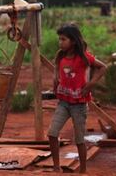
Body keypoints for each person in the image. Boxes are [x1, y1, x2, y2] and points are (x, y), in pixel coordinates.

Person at [47, 23, 107, 174]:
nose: (60, 42)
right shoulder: (60, 55)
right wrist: (55, 80)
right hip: (63, 102)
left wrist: (90, 84)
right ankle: (56, 167)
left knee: (79, 140)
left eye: (63, 39)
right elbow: (56, 69)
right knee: (52, 133)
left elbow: (103, 67)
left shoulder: (83, 57)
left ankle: (83, 171)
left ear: (73, 41)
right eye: (59, 39)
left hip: (79, 104)